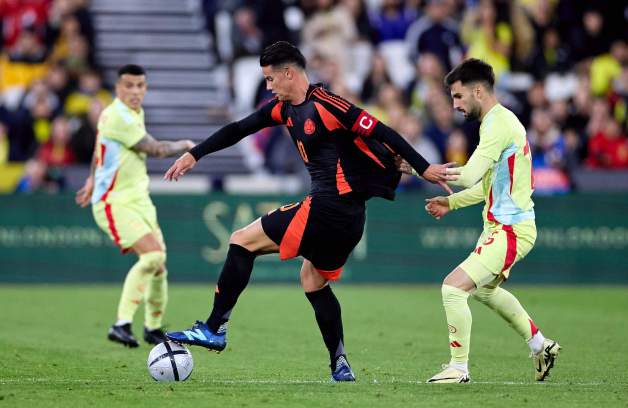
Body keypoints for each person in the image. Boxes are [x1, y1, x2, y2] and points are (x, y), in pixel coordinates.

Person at [163, 41, 456, 381]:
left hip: (326, 209)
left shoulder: (328, 105)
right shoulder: (283, 109)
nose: (268, 87)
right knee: (312, 280)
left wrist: (425, 167)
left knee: (242, 241)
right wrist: (195, 154)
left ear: (289, 74)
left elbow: (383, 131)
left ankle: (214, 328)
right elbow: (239, 129)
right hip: (350, 222)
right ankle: (340, 363)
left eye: (271, 79)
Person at [405, 58, 561, 383]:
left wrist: (422, 169)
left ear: (478, 91)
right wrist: (450, 202)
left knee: (452, 288)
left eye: (459, 96)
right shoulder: (497, 123)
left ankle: (458, 368)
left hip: (510, 230)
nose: (455, 105)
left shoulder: (498, 125)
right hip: (503, 228)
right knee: (486, 291)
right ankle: (541, 345)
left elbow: (471, 174)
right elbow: (485, 186)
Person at [75, 64, 195, 348]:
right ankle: (121, 323)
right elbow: (154, 149)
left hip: (138, 199)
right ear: (117, 88)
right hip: (114, 202)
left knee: (160, 266)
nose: (135, 91)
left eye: (140, 85)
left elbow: (99, 149)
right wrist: (185, 144)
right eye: (128, 85)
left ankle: (152, 327)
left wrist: (92, 178)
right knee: (152, 256)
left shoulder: (132, 114)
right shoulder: (117, 115)